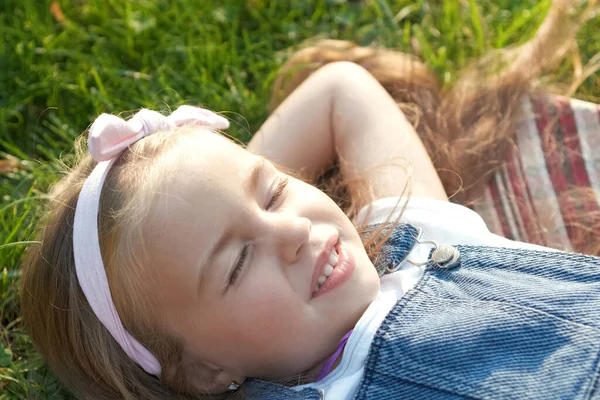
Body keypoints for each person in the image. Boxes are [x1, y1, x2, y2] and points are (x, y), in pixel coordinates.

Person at [19, 0, 600, 399]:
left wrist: (186, 181)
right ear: (204, 371)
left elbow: (340, 91)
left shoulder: (420, 244)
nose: (294, 232)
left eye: (272, 194)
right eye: (238, 262)